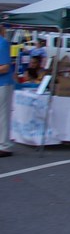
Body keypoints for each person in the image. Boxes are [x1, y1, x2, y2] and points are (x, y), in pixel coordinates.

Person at [0, 24, 14, 157]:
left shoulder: (2, 43)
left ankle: (4, 145)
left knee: (3, 115)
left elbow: (4, 67)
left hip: (3, 83)